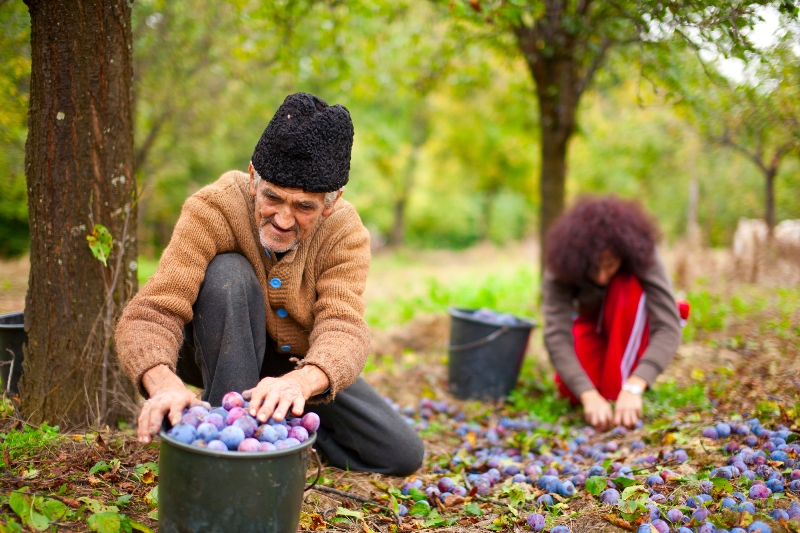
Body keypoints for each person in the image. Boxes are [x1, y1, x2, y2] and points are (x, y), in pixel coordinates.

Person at [115, 92, 424, 476]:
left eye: (304, 207)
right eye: (272, 198)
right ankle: (226, 449)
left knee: (400, 454)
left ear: (331, 202)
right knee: (229, 274)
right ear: (252, 178)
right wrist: (162, 382)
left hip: (293, 365)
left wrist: (301, 381)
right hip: (213, 342)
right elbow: (153, 310)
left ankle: (282, 427)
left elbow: (344, 327)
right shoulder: (213, 208)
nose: (282, 219)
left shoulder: (345, 232)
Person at [542, 197, 686, 430]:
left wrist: (635, 386)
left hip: (633, 320)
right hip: (592, 323)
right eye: (592, 268)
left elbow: (667, 326)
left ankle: (620, 385)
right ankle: (606, 385)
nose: (601, 277)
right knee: (571, 390)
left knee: (625, 287)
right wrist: (587, 393)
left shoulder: (642, 253)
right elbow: (556, 334)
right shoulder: (562, 261)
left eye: (610, 265)